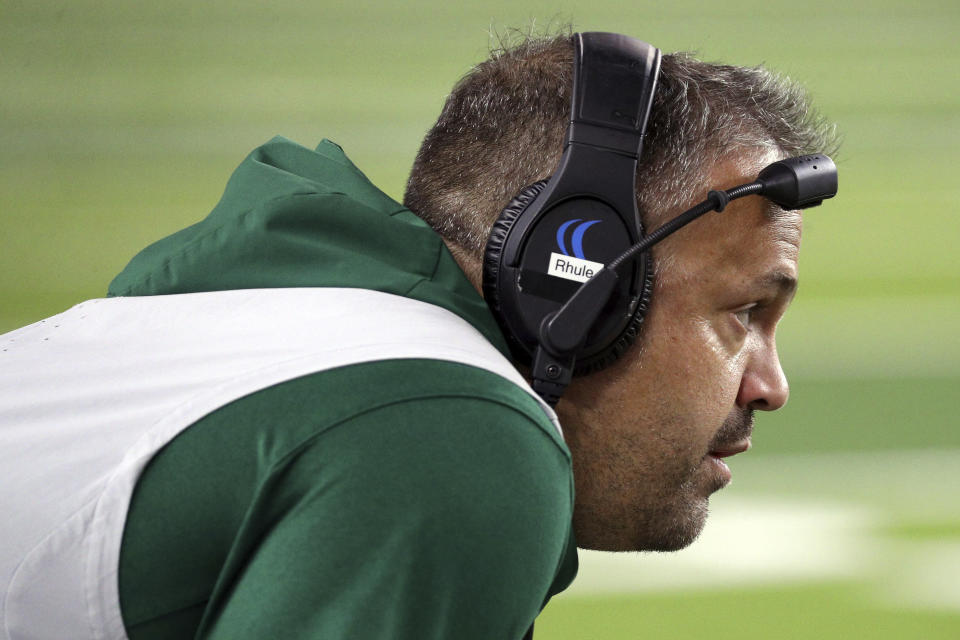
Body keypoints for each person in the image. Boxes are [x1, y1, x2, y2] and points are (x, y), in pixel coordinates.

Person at [0, 31, 837, 640]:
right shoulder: (455, 434)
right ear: (575, 277)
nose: (770, 385)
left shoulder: (252, 320)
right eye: (743, 314)